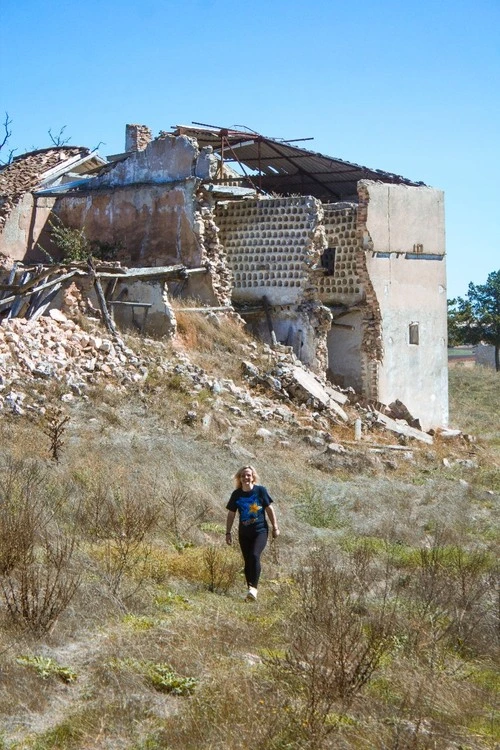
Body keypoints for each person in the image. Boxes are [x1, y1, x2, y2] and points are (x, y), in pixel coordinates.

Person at [225, 465, 279, 601]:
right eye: (243, 476)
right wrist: (228, 532)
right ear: (240, 478)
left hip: (260, 531)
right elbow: (231, 514)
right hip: (244, 533)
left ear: (253, 477)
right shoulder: (236, 494)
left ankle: (254, 589)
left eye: (248, 475)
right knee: (248, 561)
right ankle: (250, 590)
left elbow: (269, 509)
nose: (246, 478)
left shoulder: (260, 491)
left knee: (254, 555)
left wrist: (275, 527)